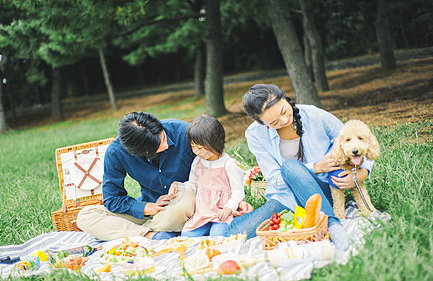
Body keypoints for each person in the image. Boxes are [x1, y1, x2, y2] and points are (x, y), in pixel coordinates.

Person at [238, 84, 375, 251]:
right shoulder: (254, 134)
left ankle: (332, 225)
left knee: (288, 166)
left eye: (283, 111)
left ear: (284, 98)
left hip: (323, 192)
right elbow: (274, 179)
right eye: (274, 122)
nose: (284, 120)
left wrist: (362, 173)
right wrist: (316, 167)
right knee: (236, 232)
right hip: (288, 198)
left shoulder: (314, 115)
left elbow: (357, 139)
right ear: (262, 123)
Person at [77, 111, 252, 241]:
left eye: (163, 136)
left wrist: (236, 200)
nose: (167, 142)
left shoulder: (185, 133)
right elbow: (112, 199)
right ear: (141, 153)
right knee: (86, 216)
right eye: (161, 143)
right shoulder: (116, 153)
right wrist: (148, 208)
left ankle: (139, 232)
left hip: (187, 204)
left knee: (180, 207)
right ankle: (152, 235)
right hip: (152, 210)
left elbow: (217, 164)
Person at [168, 115, 245, 237]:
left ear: (215, 143)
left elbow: (238, 192)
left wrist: (228, 208)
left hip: (222, 213)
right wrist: (179, 185)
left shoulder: (228, 164)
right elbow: (193, 186)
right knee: (186, 237)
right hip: (202, 212)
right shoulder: (197, 162)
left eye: (200, 148)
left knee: (217, 235)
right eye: (193, 147)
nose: (196, 152)